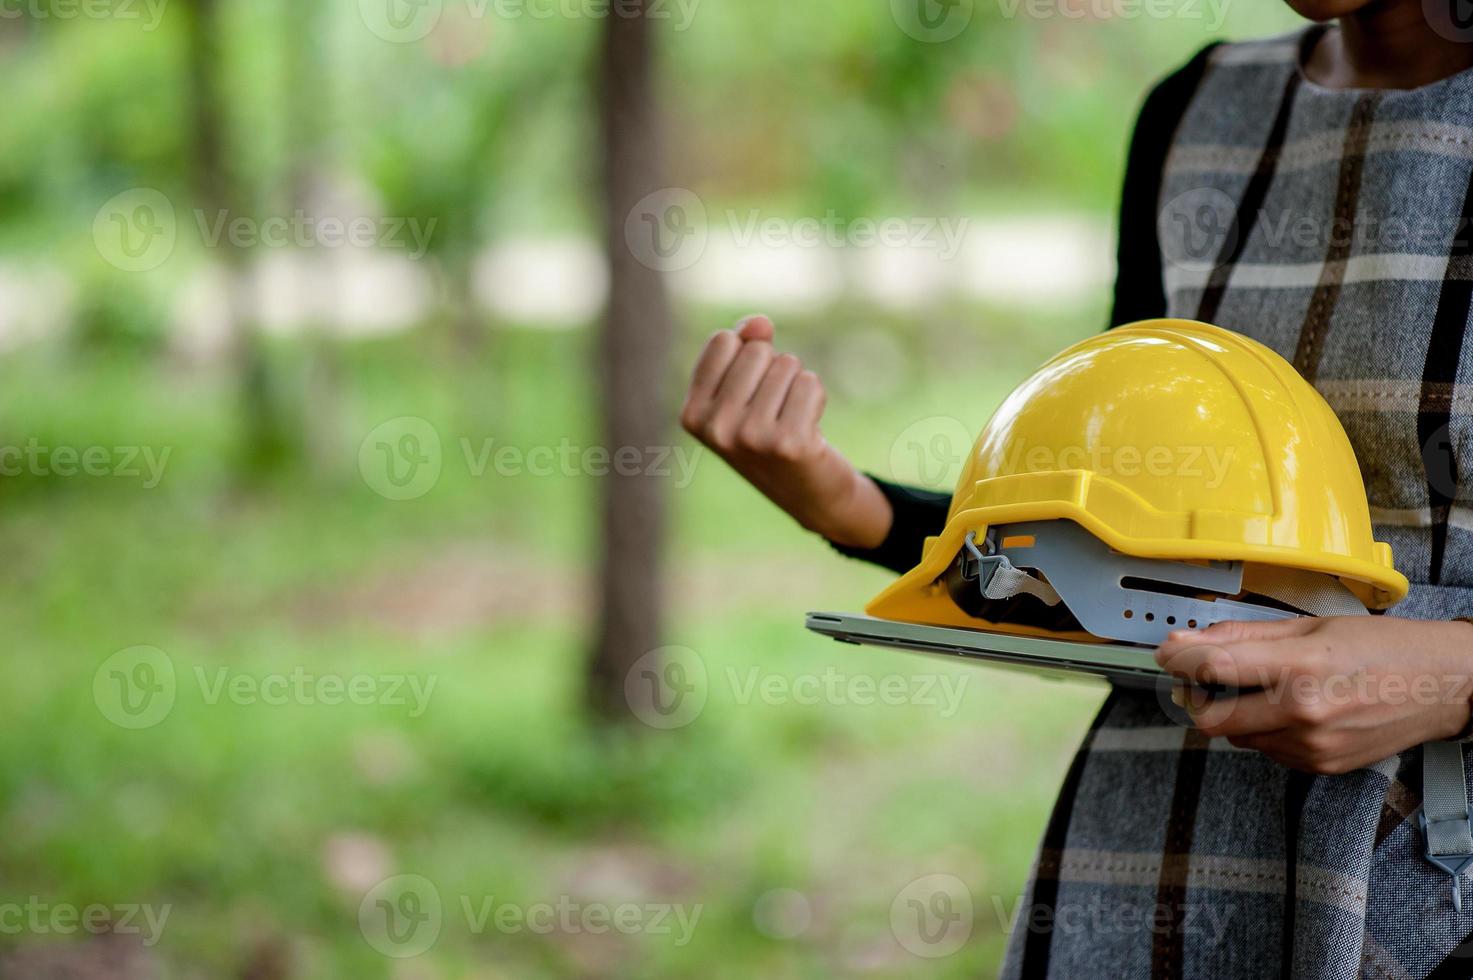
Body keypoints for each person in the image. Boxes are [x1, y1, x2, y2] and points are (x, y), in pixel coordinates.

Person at [680, 5, 1473, 978]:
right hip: (1176, 850)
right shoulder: (1198, 110)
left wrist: (1450, 670)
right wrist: (845, 504)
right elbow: (1123, 548)